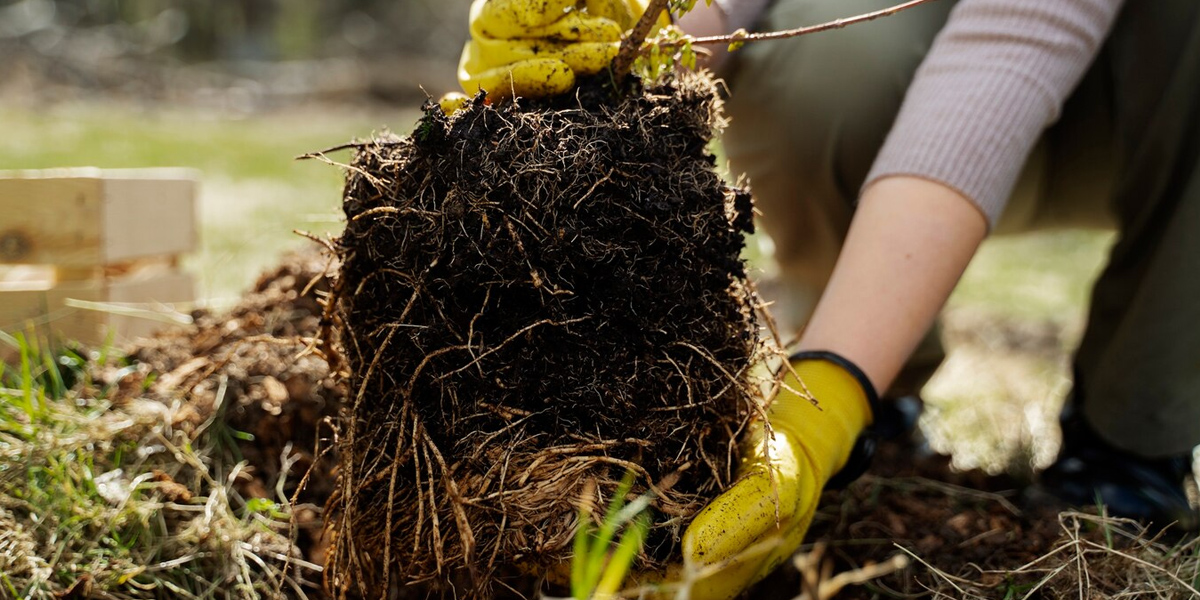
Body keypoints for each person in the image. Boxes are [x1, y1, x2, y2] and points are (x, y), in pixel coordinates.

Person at [454, 0, 1200, 598]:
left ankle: (1130, 444)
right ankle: (888, 385)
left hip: (1141, 94)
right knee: (819, 63)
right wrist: (658, 40)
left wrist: (826, 398)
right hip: (944, 58)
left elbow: (1010, 47)